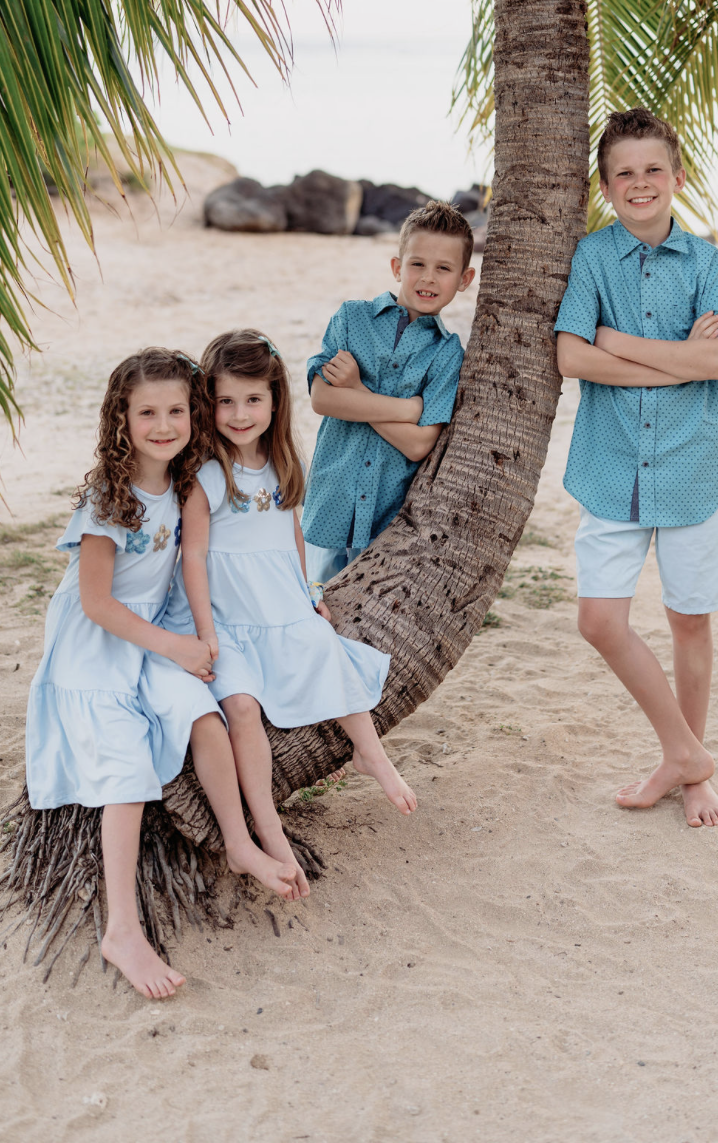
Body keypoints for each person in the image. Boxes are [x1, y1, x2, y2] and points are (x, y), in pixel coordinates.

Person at [25, 347, 296, 1000]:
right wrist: (174, 648)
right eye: (147, 412)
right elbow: (96, 604)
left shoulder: (185, 484)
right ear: (121, 418)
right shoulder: (107, 501)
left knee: (204, 717)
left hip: (154, 639)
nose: (164, 424)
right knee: (126, 771)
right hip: (96, 648)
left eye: (177, 410)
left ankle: (238, 841)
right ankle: (122, 927)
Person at [161, 329, 416, 900]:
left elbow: (290, 534)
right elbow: (193, 558)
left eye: (253, 399)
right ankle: (267, 827)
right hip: (225, 616)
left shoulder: (281, 464)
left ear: (275, 400)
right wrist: (204, 633)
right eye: (225, 400)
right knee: (243, 710)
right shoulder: (204, 475)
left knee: (324, 647)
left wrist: (306, 591)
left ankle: (372, 754)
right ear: (208, 402)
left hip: (277, 599)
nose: (239, 413)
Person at [555, 108, 718, 828]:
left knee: (688, 621)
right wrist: (676, 361)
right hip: (611, 468)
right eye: (625, 174)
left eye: (653, 170)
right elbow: (572, 356)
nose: (641, 183)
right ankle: (686, 753)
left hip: (694, 468)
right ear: (606, 186)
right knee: (600, 621)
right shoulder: (591, 259)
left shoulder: (703, 262)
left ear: (678, 176)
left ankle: (690, 772)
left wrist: (621, 344)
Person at [302, 201, 476, 587]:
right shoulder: (352, 318)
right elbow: (323, 400)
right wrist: (407, 408)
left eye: (444, 269)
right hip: (329, 505)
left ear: (464, 279)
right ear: (397, 267)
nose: (428, 278)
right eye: (418, 264)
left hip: (386, 520)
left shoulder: (447, 354)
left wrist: (358, 391)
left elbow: (418, 445)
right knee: (311, 610)